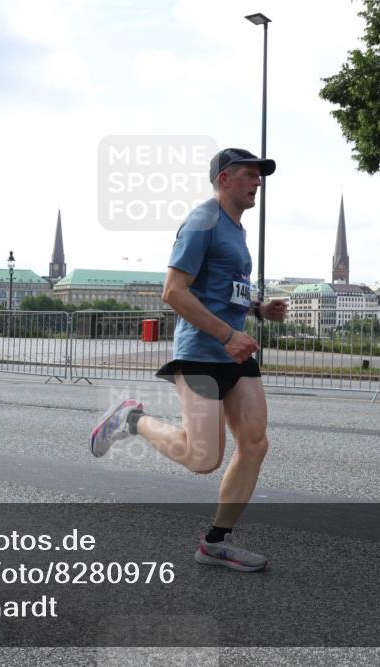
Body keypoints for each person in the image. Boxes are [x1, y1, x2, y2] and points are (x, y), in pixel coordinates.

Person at [90, 148, 287, 572]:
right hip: (202, 353)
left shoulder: (236, 229)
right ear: (224, 179)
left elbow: (220, 291)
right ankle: (131, 419)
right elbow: (174, 291)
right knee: (204, 459)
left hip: (235, 351)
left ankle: (216, 542)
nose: (258, 183)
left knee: (255, 443)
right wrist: (227, 334)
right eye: (250, 175)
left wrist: (256, 310)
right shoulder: (203, 221)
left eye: (260, 176)